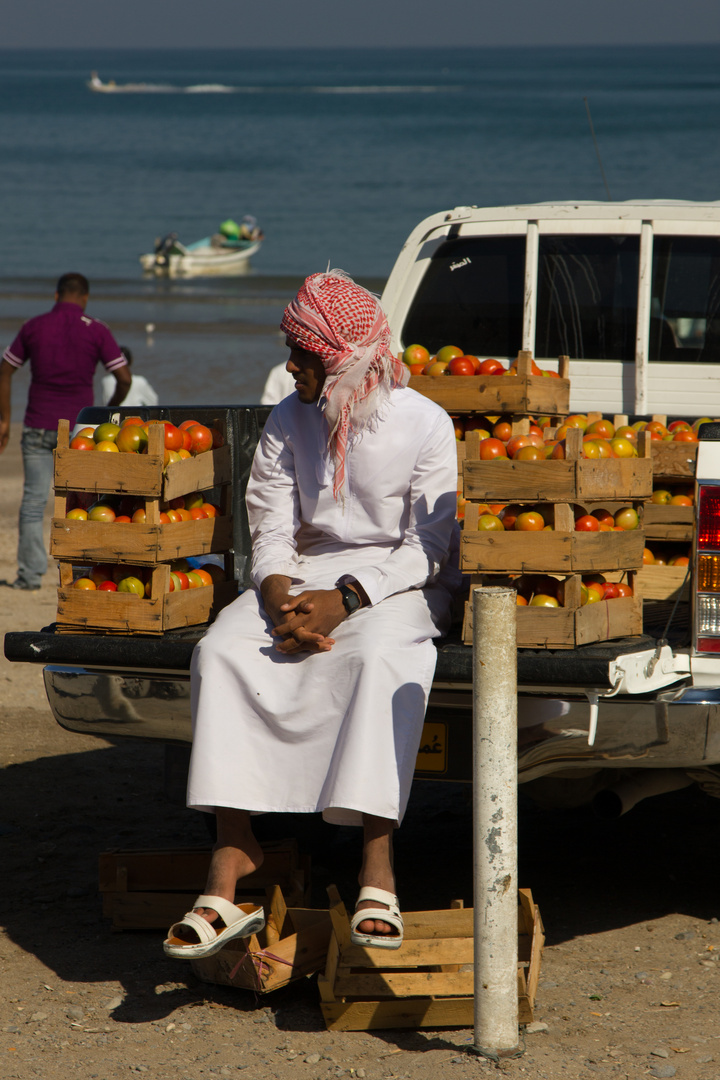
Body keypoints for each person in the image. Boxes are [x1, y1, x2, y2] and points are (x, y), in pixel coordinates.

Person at [163, 269, 459, 961]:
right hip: (300, 577)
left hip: (396, 586)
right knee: (223, 651)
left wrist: (348, 599)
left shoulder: (426, 423)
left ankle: (377, 864)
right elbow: (269, 521)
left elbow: (429, 547)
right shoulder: (287, 415)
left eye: (305, 355)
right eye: (290, 349)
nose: (291, 364)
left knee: (379, 659)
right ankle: (233, 848)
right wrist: (275, 596)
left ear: (347, 359)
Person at [0, 272, 130, 591]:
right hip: (79, 432)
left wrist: (4, 419)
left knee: (32, 501)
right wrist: (107, 411)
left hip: (36, 423)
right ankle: (82, 572)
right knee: (80, 503)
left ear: (56, 296)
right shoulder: (97, 329)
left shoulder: (34, 326)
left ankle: (30, 576)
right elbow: (124, 377)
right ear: (85, 298)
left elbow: (5, 371)